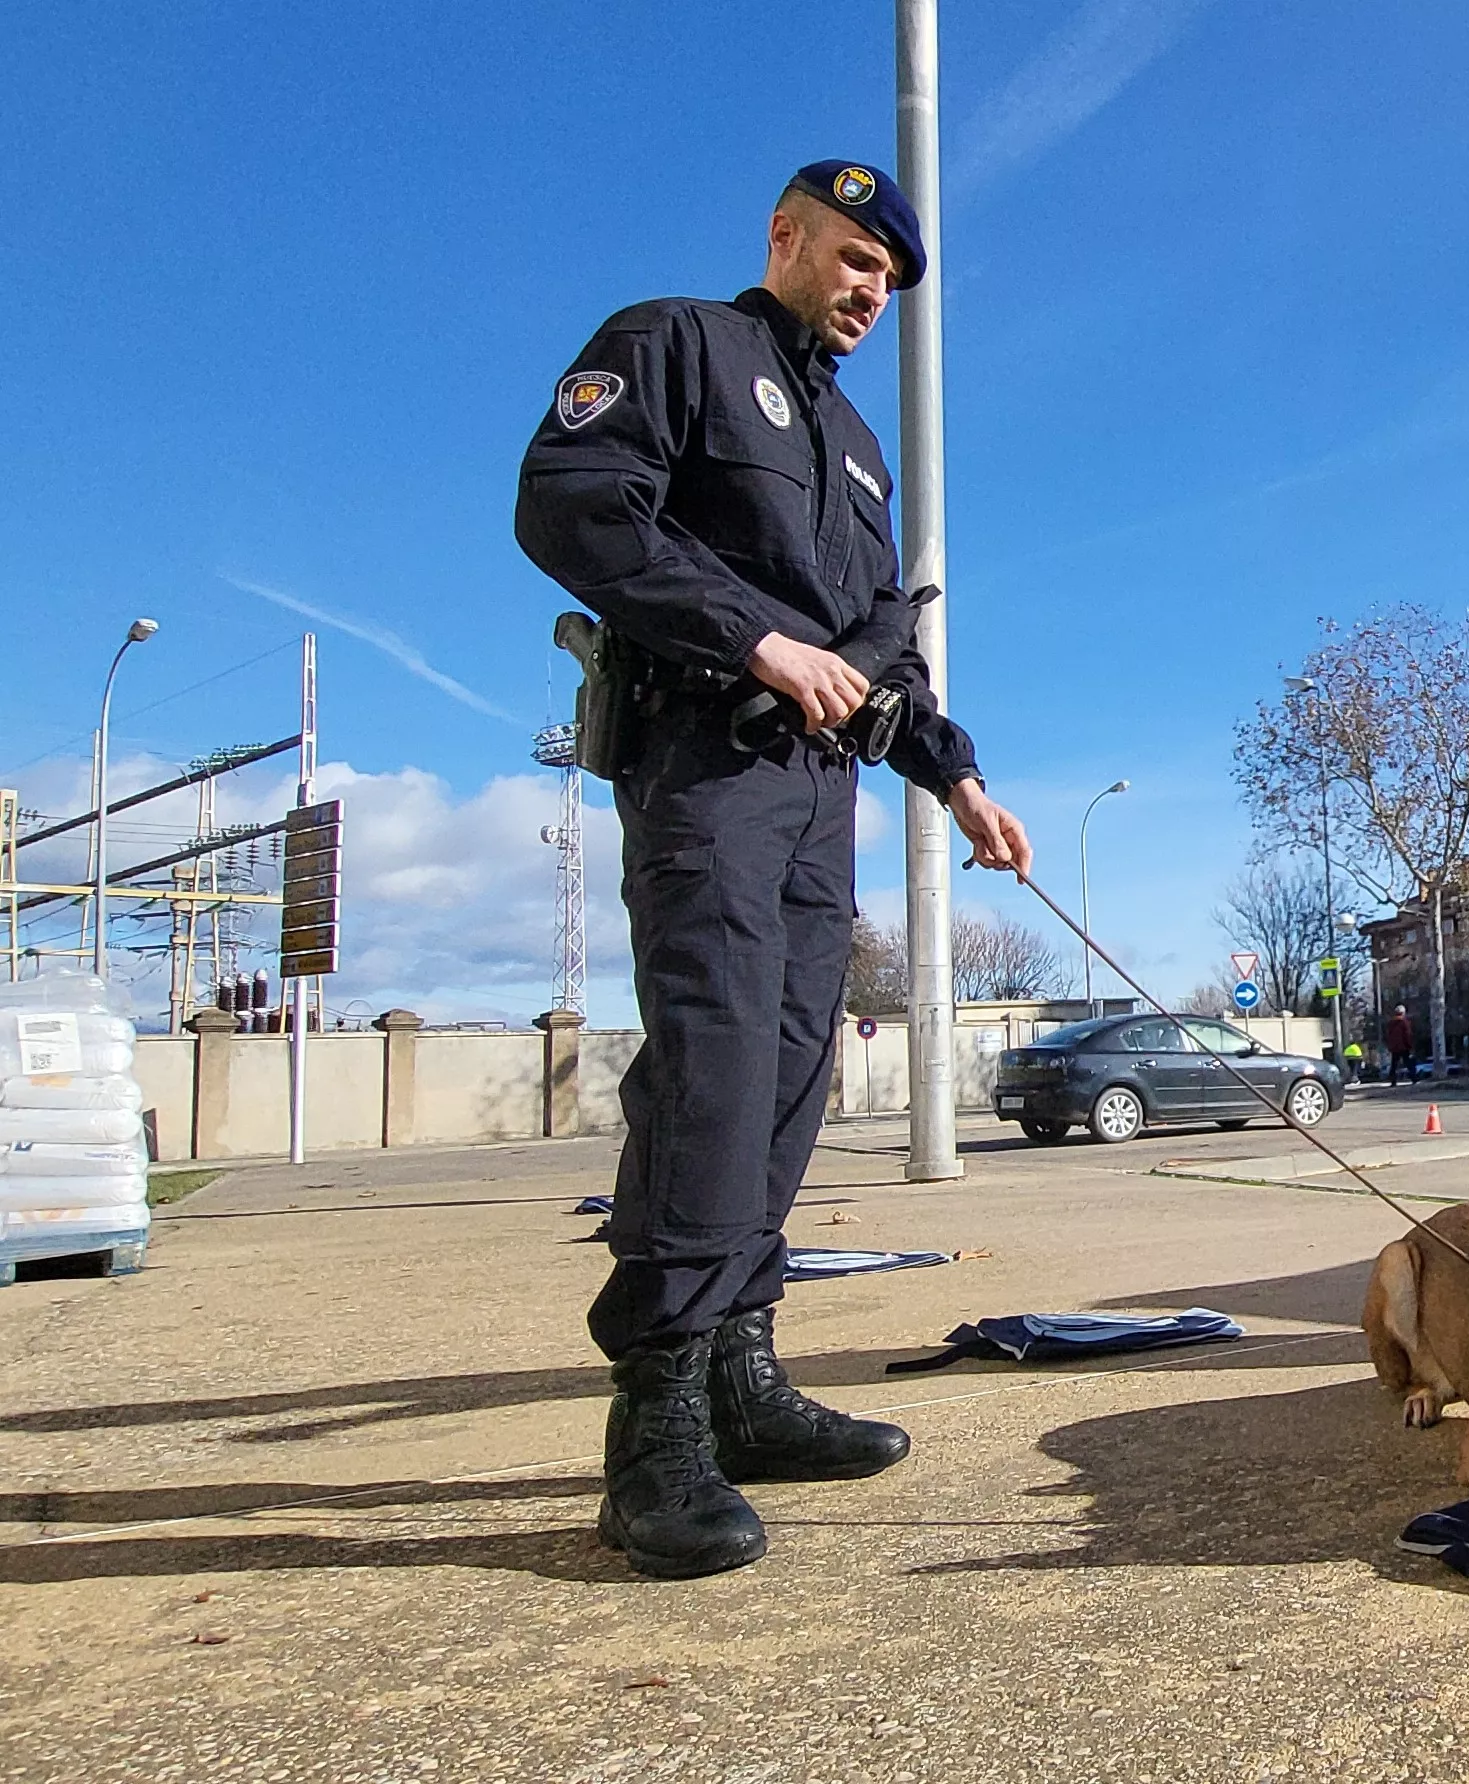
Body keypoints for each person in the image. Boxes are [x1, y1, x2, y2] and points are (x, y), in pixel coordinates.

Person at [515, 160, 1034, 1579]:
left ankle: (743, 1378)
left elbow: (880, 646)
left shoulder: (857, 447)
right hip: (705, 761)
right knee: (719, 1066)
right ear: (786, 236)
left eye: (890, 279)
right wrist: (753, 638)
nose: (871, 291)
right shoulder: (675, 344)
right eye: (856, 258)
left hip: (818, 797)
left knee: (795, 1074)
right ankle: (656, 1424)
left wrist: (958, 776)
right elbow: (573, 505)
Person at [1384, 1004, 1417, 1086]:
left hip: (1394, 1047)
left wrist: (1390, 1045)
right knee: (1408, 1063)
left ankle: (1393, 1081)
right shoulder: (1404, 1022)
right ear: (1403, 1013)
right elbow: (1407, 1035)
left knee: (1394, 1064)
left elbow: (1388, 1035)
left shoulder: (1391, 1023)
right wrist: (1410, 1045)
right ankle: (1414, 1079)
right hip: (1404, 1046)